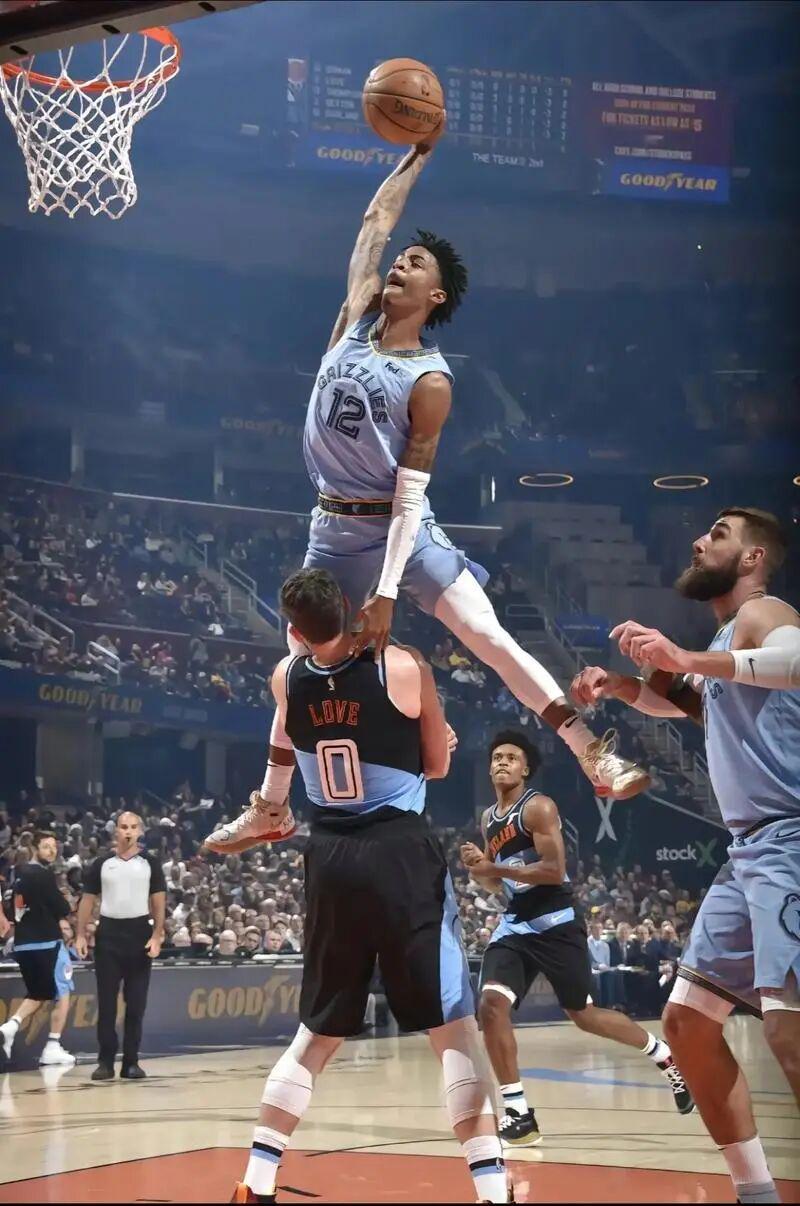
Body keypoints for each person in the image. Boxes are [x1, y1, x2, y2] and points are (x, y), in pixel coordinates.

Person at [216, 120, 649, 863]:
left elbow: (411, 493)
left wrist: (386, 593)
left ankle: (591, 753)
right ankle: (271, 807)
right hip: (332, 531)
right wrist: (415, 157)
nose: (398, 265)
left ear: (435, 293)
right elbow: (373, 222)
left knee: (489, 637)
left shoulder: (431, 381)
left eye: (414, 264)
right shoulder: (353, 321)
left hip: (401, 530)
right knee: (296, 670)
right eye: (399, 260)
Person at [206, 569, 509, 1205]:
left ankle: (257, 1180)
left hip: (329, 854)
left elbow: (293, 742)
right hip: (398, 852)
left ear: (292, 629)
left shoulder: (285, 677)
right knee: (453, 1029)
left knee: (315, 1034)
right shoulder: (402, 665)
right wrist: (432, 729)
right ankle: (491, 1189)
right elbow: (437, 764)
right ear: (350, 608)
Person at [571, 506, 800, 1204]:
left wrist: (682, 660)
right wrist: (623, 686)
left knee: (790, 1033)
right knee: (687, 1025)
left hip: (790, 838)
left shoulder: (764, 613)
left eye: (719, 535)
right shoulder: (728, 641)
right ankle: (756, 1194)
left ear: (754, 558)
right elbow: (695, 706)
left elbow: (795, 662)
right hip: (747, 851)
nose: (700, 541)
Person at [460, 731, 693, 1149]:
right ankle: (519, 1114)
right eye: (496, 757)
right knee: (491, 1007)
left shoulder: (538, 807)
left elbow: (553, 871)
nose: (501, 762)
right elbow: (498, 884)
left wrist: (495, 868)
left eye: (511, 757)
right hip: (515, 925)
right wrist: (480, 870)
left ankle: (663, 1054)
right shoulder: (488, 818)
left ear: (525, 769)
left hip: (556, 923)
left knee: (584, 1015)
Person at [76, 812, 166, 1081]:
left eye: (133, 827)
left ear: (140, 831)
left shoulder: (150, 863)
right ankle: (105, 1061)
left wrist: (157, 935)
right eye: (123, 827)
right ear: (115, 830)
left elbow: (159, 901)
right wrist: (80, 934)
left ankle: (131, 1062)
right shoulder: (102, 863)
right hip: (108, 935)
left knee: (136, 1004)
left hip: (139, 934)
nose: (128, 831)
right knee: (106, 1003)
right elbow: (87, 900)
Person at [0, 831, 75, 1066]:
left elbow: (15, 909)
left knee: (38, 993)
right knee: (63, 992)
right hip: (47, 942)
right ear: (34, 848)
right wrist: (65, 901)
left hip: (23, 944)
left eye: (54, 846)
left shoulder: (18, 876)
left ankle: (10, 1027)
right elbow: (62, 907)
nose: (52, 851)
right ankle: (53, 1046)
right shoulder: (43, 875)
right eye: (46, 846)